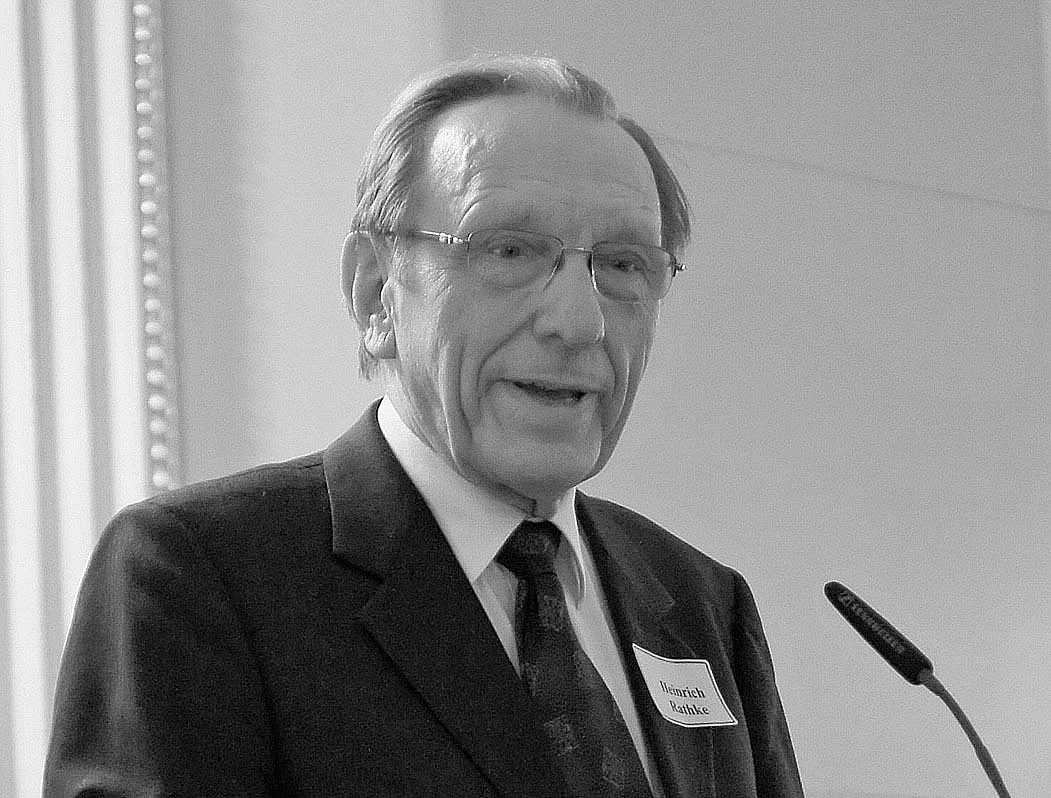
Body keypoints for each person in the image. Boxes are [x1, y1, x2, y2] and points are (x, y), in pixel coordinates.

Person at [44, 54, 804, 797]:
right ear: (376, 291)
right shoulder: (204, 576)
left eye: (625, 265)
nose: (580, 322)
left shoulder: (701, 603)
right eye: (509, 250)